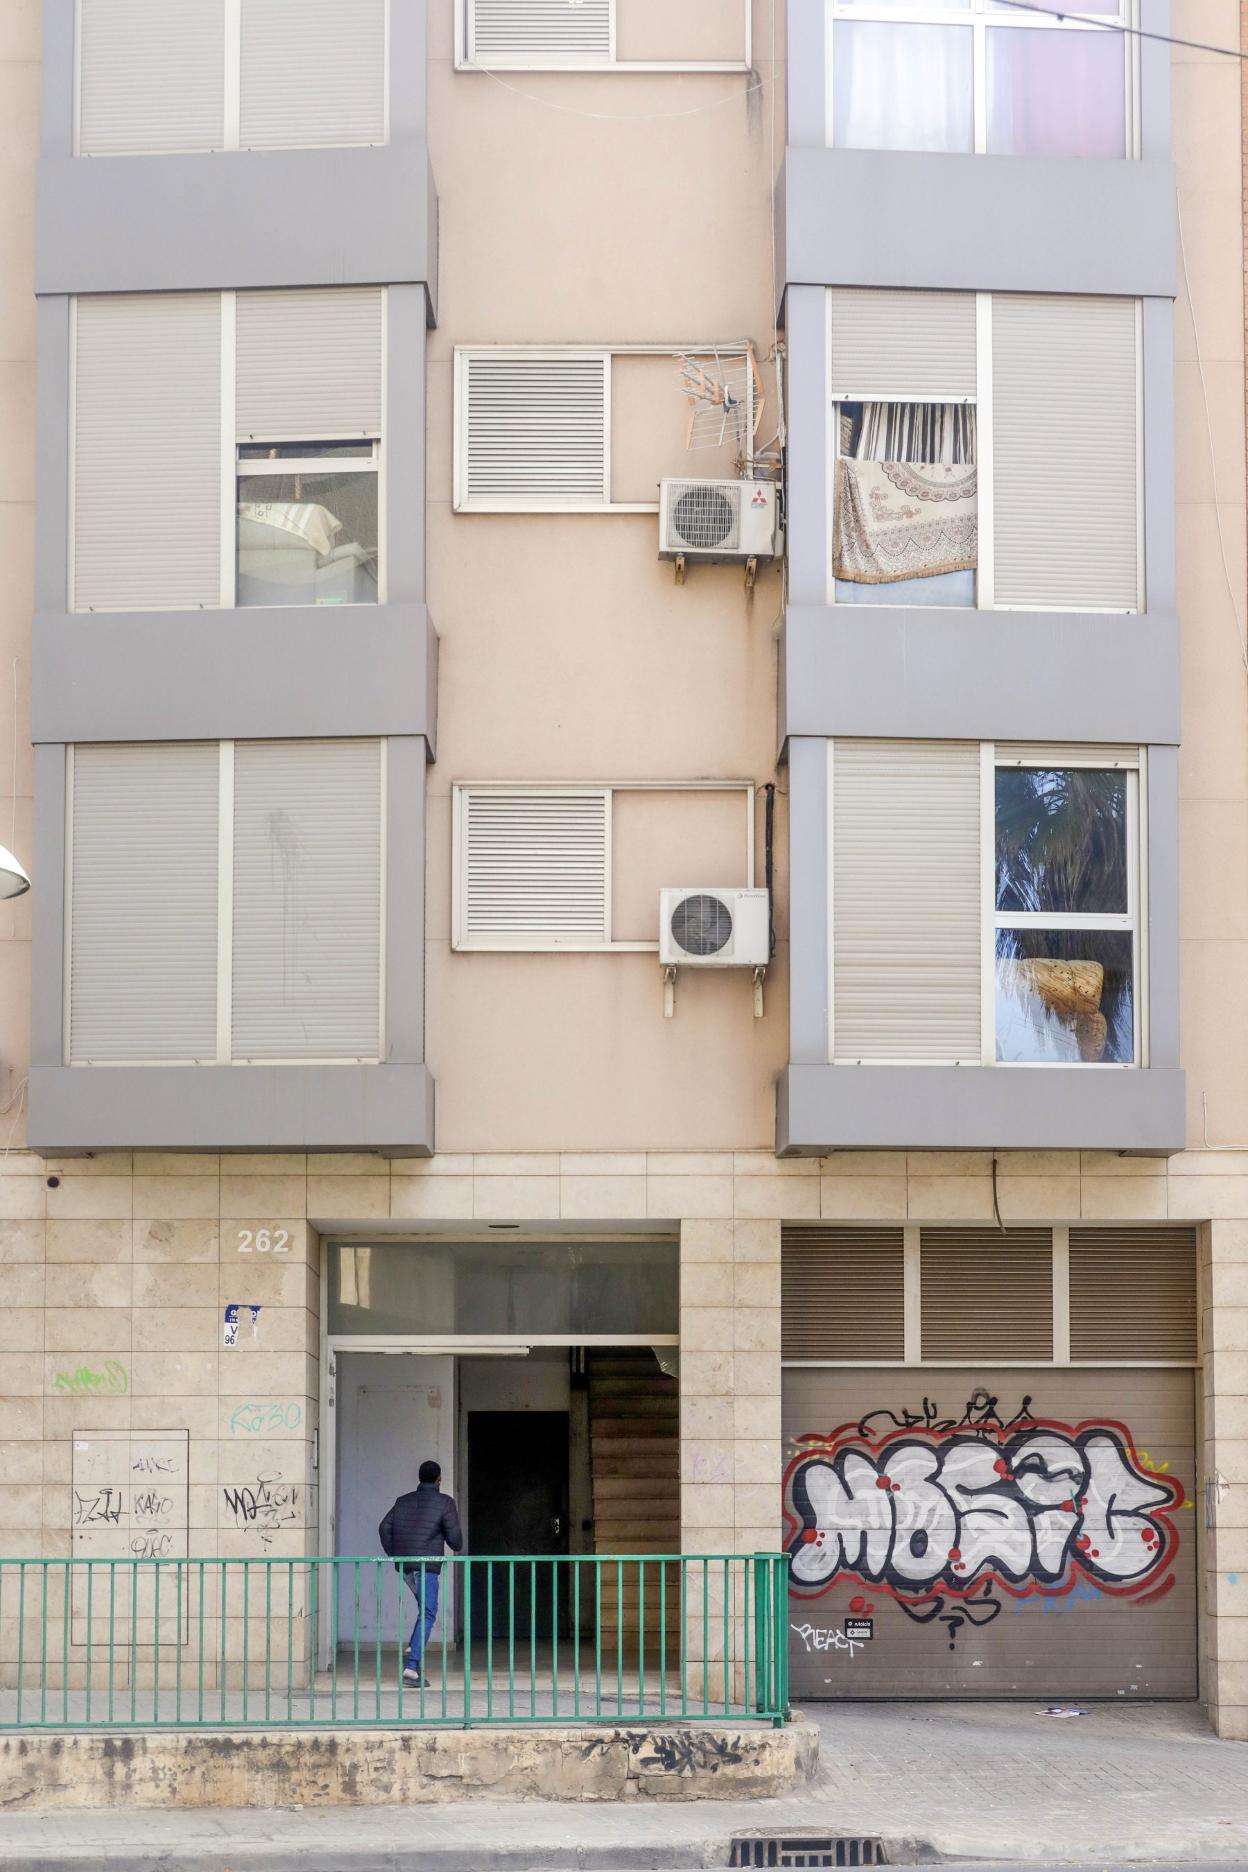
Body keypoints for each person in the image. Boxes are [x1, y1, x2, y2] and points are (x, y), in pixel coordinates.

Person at [379, 1460, 463, 1687]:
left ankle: (413, 1645)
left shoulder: (402, 1501)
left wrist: (396, 1554)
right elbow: (456, 1542)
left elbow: (384, 1527)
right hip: (426, 1566)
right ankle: (411, 1667)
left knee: (425, 1610)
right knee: (428, 1612)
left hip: (406, 1567)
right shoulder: (445, 1502)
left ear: (419, 1478)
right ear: (439, 1479)